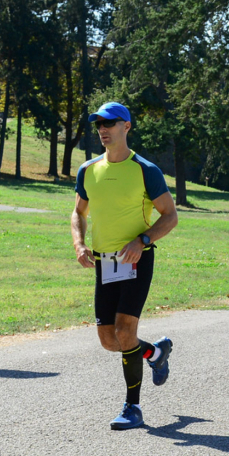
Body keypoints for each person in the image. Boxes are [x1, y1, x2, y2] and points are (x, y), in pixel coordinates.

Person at [71, 102, 179, 431]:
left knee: (123, 332)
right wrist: (79, 243)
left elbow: (170, 215)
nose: (102, 129)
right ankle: (155, 355)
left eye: (109, 123)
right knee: (108, 339)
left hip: (136, 260)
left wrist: (142, 241)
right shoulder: (88, 170)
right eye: (98, 124)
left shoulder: (146, 170)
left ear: (126, 127)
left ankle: (133, 407)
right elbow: (78, 213)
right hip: (106, 263)